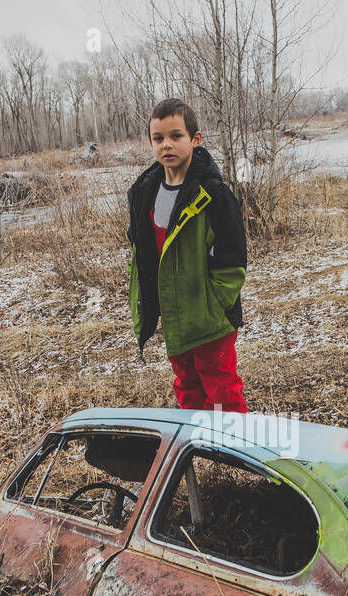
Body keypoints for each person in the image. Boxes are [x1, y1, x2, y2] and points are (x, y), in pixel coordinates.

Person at [126, 98, 248, 413]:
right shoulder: (144, 193)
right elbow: (142, 252)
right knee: (187, 389)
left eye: (176, 136)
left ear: (195, 139)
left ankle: (231, 454)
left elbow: (233, 259)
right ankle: (197, 452)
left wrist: (216, 302)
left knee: (221, 391)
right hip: (175, 317)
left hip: (210, 319)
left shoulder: (213, 194)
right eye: (158, 138)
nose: (167, 145)